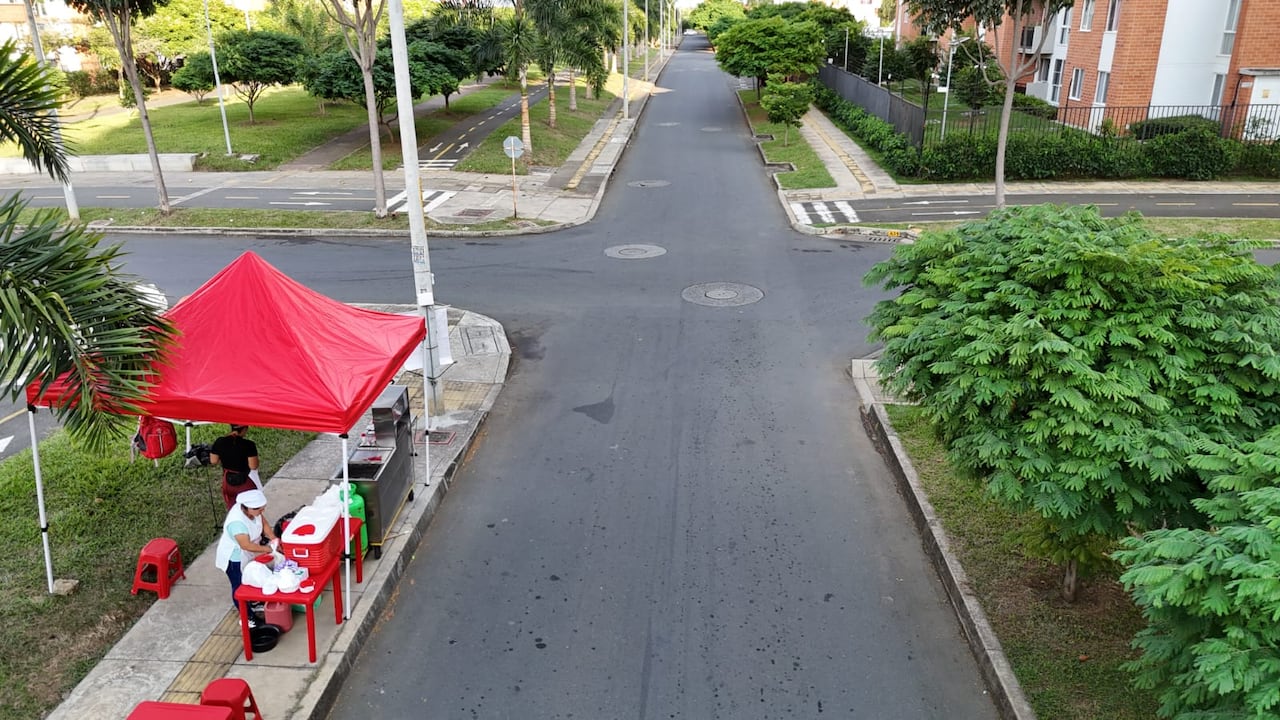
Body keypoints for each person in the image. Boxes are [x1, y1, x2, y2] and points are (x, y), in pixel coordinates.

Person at [214, 489, 278, 625]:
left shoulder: (253, 511)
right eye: (259, 510)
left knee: (249, 579)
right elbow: (246, 545)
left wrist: (273, 538)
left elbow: (264, 523)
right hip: (234, 558)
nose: (262, 512)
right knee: (239, 587)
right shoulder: (237, 523)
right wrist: (267, 549)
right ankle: (247, 617)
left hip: (246, 554)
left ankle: (253, 603)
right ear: (249, 508)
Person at [211, 423, 259, 509]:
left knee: (233, 510)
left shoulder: (220, 441)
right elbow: (253, 466)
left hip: (227, 482)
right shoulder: (249, 445)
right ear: (245, 429)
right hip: (245, 482)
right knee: (252, 508)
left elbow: (213, 461)